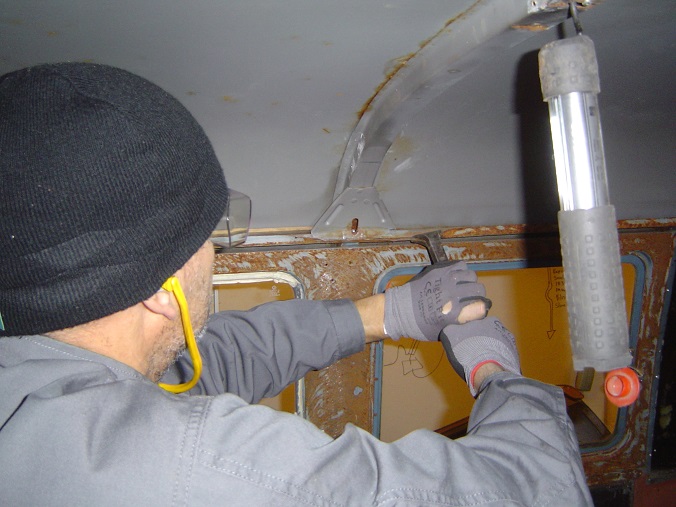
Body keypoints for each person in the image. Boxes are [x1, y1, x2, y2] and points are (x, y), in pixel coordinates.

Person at [0, 62, 593, 506]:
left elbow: (202, 366)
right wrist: (494, 370)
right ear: (162, 288)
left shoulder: (45, 370)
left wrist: (388, 312)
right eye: (210, 233)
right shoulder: (192, 471)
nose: (214, 252)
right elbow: (534, 490)